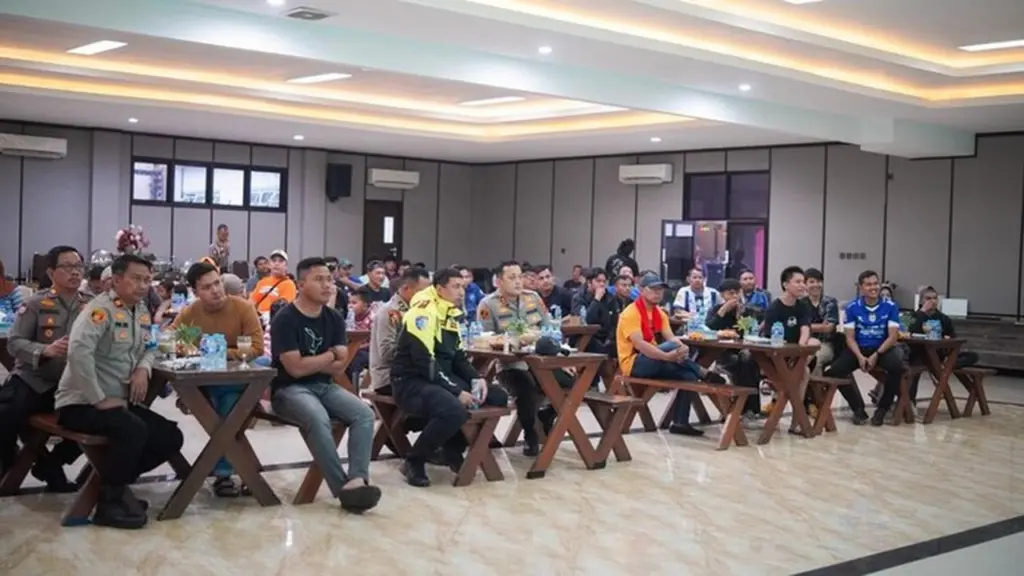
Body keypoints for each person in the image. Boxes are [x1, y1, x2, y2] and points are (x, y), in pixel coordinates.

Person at [54, 254, 185, 530]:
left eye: (147, 280)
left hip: (119, 403)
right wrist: (98, 399)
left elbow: (150, 348)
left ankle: (117, 482)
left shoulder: (141, 311)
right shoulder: (99, 311)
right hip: (80, 403)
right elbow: (78, 354)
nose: (143, 285)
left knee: (169, 436)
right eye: (136, 279)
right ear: (116, 280)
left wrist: (143, 369)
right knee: (133, 430)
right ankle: (109, 504)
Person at [269, 257, 381, 513]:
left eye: (329, 279)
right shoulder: (285, 319)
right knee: (318, 418)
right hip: (288, 390)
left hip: (324, 386)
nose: (327, 285)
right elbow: (295, 369)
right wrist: (329, 355)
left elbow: (340, 367)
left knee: (364, 414)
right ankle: (343, 489)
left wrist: (314, 362)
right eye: (318, 279)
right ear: (300, 284)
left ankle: (358, 479)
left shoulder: (333, 318)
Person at [390, 268, 509, 487]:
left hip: (440, 377)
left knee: (497, 397)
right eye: (455, 287)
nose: (461, 292)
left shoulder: (450, 313)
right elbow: (425, 362)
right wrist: (456, 391)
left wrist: (477, 378)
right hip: (412, 381)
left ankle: (452, 448)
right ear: (439, 289)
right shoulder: (423, 313)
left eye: (463, 286)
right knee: (454, 408)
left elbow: (459, 358)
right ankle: (414, 460)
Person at [172, 261, 264, 497]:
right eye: (207, 287)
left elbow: (257, 347)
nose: (216, 290)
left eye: (217, 283)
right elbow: (174, 340)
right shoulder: (191, 314)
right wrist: (187, 347)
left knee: (224, 403)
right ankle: (246, 472)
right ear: (195, 292)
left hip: (239, 379)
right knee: (228, 403)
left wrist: (218, 351)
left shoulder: (243, 308)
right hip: (210, 382)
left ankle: (224, 473)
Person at [0, 246, 87, 492]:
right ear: (50, 272)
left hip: (72, 384)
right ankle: (8, 464)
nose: (75, 272)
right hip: (34, 380)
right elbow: (14, 343)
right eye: (67, 266)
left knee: (102, 418)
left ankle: (53, 462)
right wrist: (44, 350)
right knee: (6, 414)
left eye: (78, 266)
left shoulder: (91, 306)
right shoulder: (35, 303)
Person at [617, 273, 717, 437]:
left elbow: (671, 338)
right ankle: (701, 371)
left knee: (689, 376)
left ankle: (680, 423)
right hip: (635, 363)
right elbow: (640, 345)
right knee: (673, 347)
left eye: (660, 289)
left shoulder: (660, 314)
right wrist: (667, 356)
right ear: (641, 290)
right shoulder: (630, 313)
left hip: (655, 359)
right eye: (653, 289)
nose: (658, 293)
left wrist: (683, 348)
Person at [477, 261, 552, 456]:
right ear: (499, 281)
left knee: (573, 382)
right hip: (511, 365)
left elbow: (549, 327)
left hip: (541, 362)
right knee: (526, 390)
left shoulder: (533, 298)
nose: (518, 282)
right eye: (512, 278)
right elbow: (484, 339)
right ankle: (530, 435)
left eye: (520, 277)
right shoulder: (488, 304)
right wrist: (511, 341)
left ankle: (548, 414)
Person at [824, 270, 900, 426]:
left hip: (882, 348)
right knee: (835, 371)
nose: (873, 288)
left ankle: (882, 409)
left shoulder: (891, 306)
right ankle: (858, 409)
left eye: (876, 284)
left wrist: (876, 354)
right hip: (858, 348)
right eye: (868, 284)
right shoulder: (852, 307)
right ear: (860, 287)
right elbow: (849, 337)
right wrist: (859, 356)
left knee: (897, 366)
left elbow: (893, 337)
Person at [759, 266, 816, 434]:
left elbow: (805, 329)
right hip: (776, 354)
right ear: (785, 284)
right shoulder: (774, 307)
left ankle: (794, 419)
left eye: (803, 282)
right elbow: (770, 337)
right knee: (803, 373)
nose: (802, 286)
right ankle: (797, 419)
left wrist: (800, 349)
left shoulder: (803, 305)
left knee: (810, 350)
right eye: (797, 282)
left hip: (795, 352)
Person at [704, 278, 760, 418]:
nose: (734, 296)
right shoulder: (716, 310)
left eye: (737, 293)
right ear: (722, 295)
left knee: (748, 359)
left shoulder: (746, 310)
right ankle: (744, 408)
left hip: (743, 350)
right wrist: (723, 311)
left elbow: (751, 332)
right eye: (730, 293)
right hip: (722, 352)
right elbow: (709, 328)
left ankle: (744, 407)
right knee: (739, 362)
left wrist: (741, 317)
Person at [369, 267, 431, 393]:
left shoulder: (418, 310)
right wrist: (419, 354)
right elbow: (386, 352)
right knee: (438, 393)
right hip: (389, 376)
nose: (426, 297)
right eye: (421, 292)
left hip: (412, 373)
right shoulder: (390, 312)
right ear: (405, 288)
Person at [803, 268, 841, 373]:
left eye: (819, 281)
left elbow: (829, 328)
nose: (816, 285)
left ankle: (814, 383)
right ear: (805, 285)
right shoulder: (800, 303)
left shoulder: (830, 302)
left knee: (816, 359)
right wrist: (820, 326)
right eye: (812, 282)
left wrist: (806, 326)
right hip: (804, 342)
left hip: (825, 344)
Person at [249, 249, 297, 314]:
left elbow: (283, 310)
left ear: (286, 266)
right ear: (269, 265)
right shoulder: (262, 282)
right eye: (274, 261)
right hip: (257, 317)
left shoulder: (289, 284)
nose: (276, 263)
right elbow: (251, 302)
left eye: (281, 261)